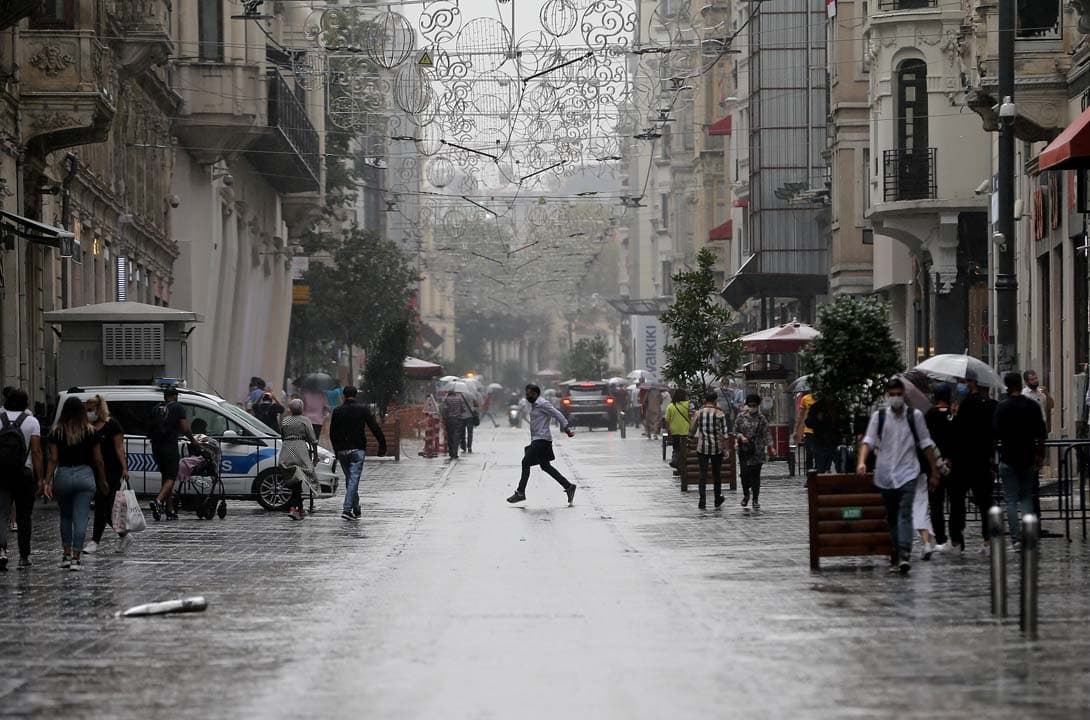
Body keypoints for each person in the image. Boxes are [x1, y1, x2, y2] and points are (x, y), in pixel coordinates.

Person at [857, 378, 939, 574]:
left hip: (908, 472)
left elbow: (926, 444)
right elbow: (868, 441)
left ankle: (904, 554)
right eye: (892, 395)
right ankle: (898, 550)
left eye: (898, 394)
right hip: (885, 475)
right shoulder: (880, 417)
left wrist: (934, 470)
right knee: (892, 517)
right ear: (888, 396)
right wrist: (861, 461)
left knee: (904, 512)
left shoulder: (915, 416)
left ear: (904, 395)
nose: (895, 398)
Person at [43, 397, 107, 571]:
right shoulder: (91, 431)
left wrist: (46, 481)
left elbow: (53, 459)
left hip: (63, 474)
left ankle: (66, 554)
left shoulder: (56, 432)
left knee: (65, 516)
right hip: (85, 475)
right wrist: (102, 479)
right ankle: (76, 559)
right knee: (81, 518)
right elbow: (98, 459)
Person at [994, 372, 1048, 549]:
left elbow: (996, 433)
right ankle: (1028, 536)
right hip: (1028, 457)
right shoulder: (1032, 406)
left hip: (1008, 457)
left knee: (1010, 499)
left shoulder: (1002, 408)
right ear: (1021, 384)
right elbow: (1041, 434)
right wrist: (1040, 455)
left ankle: (1016, 539)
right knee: (1026, 498)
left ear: (1008, 386)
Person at [506, 384, 576, 505]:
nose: (527, 396)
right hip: (538, 439)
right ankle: (568, 486)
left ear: (536, 393)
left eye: (529, 393)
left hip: (542, 440)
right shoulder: (533, 405)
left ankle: (520, 492)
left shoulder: (543, 403)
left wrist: (566, 429)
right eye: (526, 393)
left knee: (525, 462)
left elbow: (557, 414)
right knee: (545, 466)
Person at [952, 370, 998, 550]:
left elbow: (957, 432)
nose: (960, 385)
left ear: (971, 382)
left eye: (962, 382)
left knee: (957, 501)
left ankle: (956, 538)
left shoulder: (965, 405)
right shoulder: (990, 405)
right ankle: (988, 538)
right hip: (982, 459)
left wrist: (955, 416)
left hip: (964, 460)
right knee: (985, 501)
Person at [83, 395, 131, 554]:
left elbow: (119, 448)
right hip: (93, 470)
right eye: (86, 410)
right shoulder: (87, 426)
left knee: (103, 506)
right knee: (104, 507)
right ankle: (123, 534)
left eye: (90, 410)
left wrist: (124, 468)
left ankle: (95, 541)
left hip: (111, 470)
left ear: (98, 409)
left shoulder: (112, 425)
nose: (88, 413)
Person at [329, 386, 386, 522]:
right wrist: (382, 445)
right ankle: (347, 510)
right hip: (357, 449)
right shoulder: (362, 410)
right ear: (356, 395)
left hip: (342, 450)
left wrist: (336, 450)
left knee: (350, 480)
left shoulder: (337, 411)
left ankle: (356, 507)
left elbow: (332, 433)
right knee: (353, 480)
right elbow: (374, 427)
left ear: (343, 395)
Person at [0, 388, 42, 570]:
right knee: (24, 516)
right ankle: (24, 557)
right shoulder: (32, 422)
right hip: (24, 473)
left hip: (1, 473)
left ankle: (1, 551)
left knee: (2, 513)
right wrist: (40, 478)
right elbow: (36, 451)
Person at [148, 386, 196, 522]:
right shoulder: (178, 408)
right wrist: (193, 441)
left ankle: (170, 510)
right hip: (169, 446)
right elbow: (185, 428)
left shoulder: (156, 408)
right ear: (175, 396)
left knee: (165, 477)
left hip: (156, 447)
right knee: (171, 476)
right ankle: (158, 501)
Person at [924, 383, 957, 551]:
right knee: (956, 503)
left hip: (934, 466)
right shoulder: (953, 415)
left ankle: (941, 539)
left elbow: (925, 442)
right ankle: (956, 537)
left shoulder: (929, 415)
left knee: (936, 504)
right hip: (953, 465)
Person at [280, 399, 321, 521]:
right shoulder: (305, 420)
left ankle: (300, 508)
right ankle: (293, 507)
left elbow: (282, 435)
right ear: (301, 408)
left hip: (287, 449)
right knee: (303, 475)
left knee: (294, 479)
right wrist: (315, 454)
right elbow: (312, 439)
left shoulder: (285, 420)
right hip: (300, 449)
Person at [689, 391, 729, 510]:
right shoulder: (720, 413)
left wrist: (689, 439)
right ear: (715, 400)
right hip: (717, 448)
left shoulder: (698, 413)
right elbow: (725, 433)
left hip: (702, 448)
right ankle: (717, 499)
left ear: (704, 401)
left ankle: (702, 500)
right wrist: (726, 449)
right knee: (717, 475)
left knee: (703, 475)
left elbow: (692, 429)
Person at [734, 393, 771, 511]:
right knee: (744, 474)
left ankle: (755, 499)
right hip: (744, 450)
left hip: (757, 450)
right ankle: (746, 495)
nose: (752, 407)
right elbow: (735, 431)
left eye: (754, 405)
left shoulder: (762, 419)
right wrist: (741, 437)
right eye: (750, 405)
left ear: (758, 405)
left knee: (756, 475)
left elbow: (766, 434)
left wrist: (771, 447)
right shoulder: (741, 417)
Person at [804, 395, 843, 473]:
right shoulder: (817, 407)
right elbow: (808, 422)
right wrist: (817, 419)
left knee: (840, 467)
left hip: (835, 442)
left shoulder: (838, 406)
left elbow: (844, 423)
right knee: (820, 468)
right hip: (821, 442)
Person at [664, 389, 690, 474]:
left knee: (677, 448)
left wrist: (668, 431)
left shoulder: (671, 406)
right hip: (686, 431)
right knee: (685, 449)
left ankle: (678, 466)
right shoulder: (689, 405)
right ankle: (683, 466)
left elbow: (667, 420)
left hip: (675, 431)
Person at [442, 388, 470, 460]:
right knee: (456, 437)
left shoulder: (447, 399)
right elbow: (463, 409)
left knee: (450, 436)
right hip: (458, 420)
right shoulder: (459, 399)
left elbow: (444, 409)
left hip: (449, 420)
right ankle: (455, 453)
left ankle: (451, 452)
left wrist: (444, 418)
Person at [794, 391, 817, 470]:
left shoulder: (823, 399)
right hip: (808, 430)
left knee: (818, 452)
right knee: (809, 452)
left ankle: (819, 470)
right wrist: (796, 430)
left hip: (820, 430)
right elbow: (800, 415)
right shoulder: (805, 398)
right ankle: (809, 472)